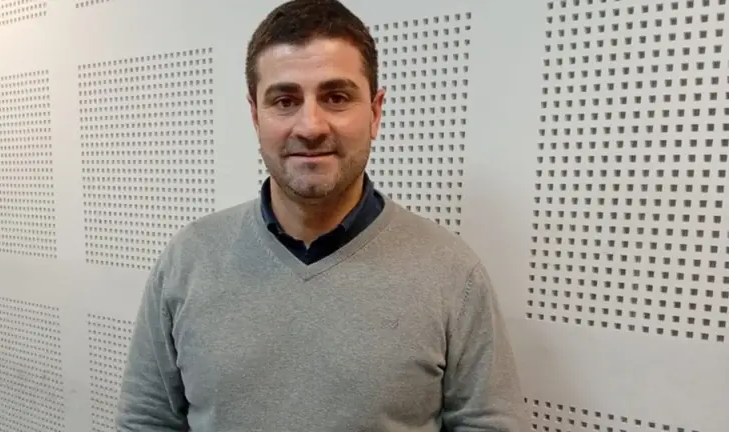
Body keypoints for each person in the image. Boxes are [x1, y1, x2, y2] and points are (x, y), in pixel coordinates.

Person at [115, 0, 527, 430]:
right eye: (285, 100)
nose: (310, 126)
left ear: (375, 112)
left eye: (336, 97)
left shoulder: (452, 274)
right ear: (255, 116)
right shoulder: (188, 260)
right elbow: (146, 421)